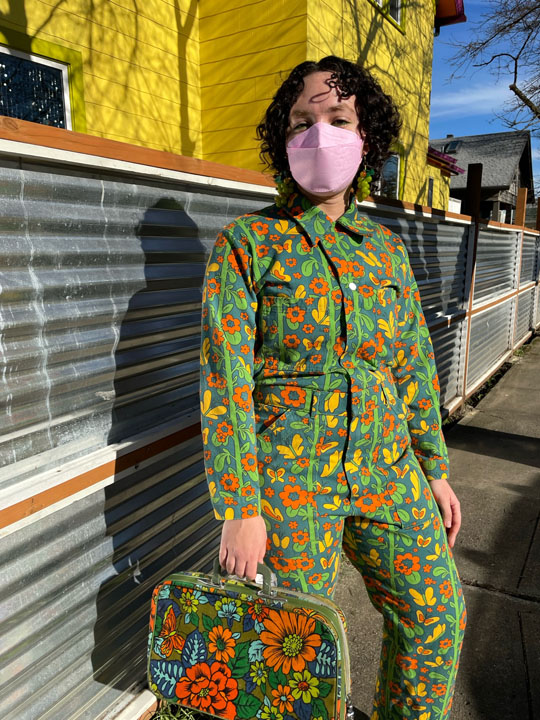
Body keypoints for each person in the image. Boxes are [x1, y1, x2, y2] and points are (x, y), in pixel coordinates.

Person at [199, 55, 467, 720]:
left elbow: (410, 364)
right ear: (282, 138)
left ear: (364, 136)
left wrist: (433, 469)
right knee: (296, 652)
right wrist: (240, 505)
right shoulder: (247, 243)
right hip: (291, 477)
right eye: (301, 121)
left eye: (338, 118)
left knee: (438, 616)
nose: (319, 133)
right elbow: (224, 380)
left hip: (387, 467)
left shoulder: (384, 250)